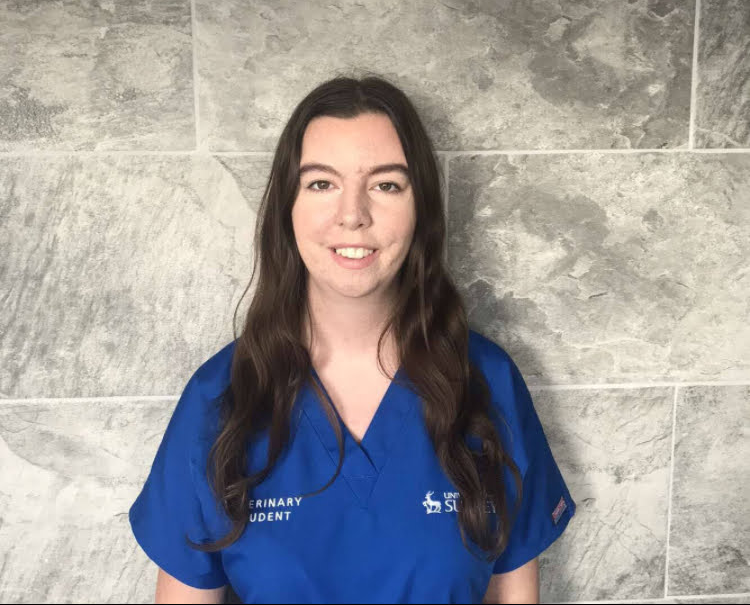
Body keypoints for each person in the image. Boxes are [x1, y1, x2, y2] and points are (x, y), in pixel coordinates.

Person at [129, 75, 576, 604]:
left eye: (386, 184)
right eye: (321, 183)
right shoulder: (218, 398)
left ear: (421, 210)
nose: (352, 214)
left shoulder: (487, 382)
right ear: (286, 209)